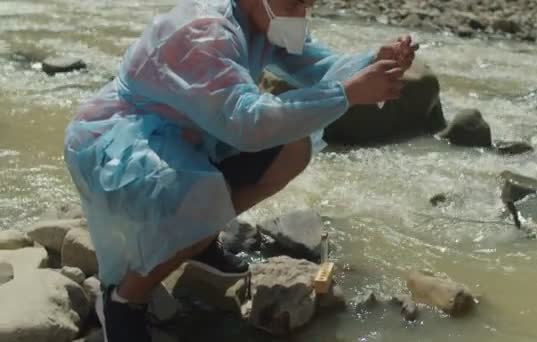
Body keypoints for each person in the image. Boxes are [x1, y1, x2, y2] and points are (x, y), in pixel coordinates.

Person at [63, 0, 417, 340]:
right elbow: (249, 123)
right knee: (203, 195)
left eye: (309, 3)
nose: (302, 13)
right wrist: (348, 93)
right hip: (119, 146)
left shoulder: (259, 22)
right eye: (294, 2)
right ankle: (123, 300)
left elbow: (317, 65)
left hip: (186, 136)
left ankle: (196, 242)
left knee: (294, 149)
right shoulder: (204, 31)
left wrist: (373, 61)